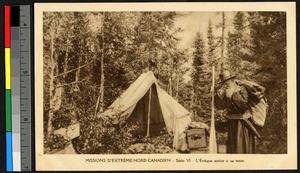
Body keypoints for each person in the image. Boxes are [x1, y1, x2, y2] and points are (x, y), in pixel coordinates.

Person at [214, 70, 266, 154]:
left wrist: (234, 94)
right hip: (232, 123)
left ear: (231, 80)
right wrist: (216, 95)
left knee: (241, 146)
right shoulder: (225, 92)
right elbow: (221, 107)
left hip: (243, 123)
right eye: (224, 82)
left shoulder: (241, 88)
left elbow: (243, 104)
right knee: (233, 147)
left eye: (226, 81)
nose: (225, 84)